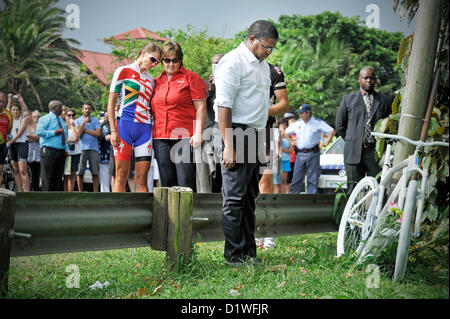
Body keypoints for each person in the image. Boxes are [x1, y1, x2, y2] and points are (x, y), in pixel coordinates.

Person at [214, 20, 279, 267]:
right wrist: (228, 144)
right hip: (236, 133)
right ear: (251, 39)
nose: (269, 52)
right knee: (233, 199)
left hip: (255, 134)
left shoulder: (263, 67)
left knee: (250, 198)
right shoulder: (232, 62)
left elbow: (261, 106)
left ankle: (249, 253)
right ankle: (233, 256)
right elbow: (224, 106)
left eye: (272, 48)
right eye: (266, 46)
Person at [151, 41, 206, 192]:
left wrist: (198, 133)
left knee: (185, 182)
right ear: (161, 60)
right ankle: (169, 216)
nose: (170, 64)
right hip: (160, 137)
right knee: (167, 181)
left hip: (185, 136)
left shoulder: (191, 78)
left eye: (175, 60)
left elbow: (201, 107)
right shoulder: (155, 82)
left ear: (180, 60)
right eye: (166, 60)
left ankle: (187, 215)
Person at [107, 43, 161, 193]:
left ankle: (144, 215)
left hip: (144, 129)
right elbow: (111, 104)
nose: (154, 64)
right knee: (121, 175)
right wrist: (113, 131)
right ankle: (118, 215)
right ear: (143, 53)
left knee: (142, 179)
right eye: (153, 59)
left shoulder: (151, 79)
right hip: (124, 125)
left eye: (157, 62)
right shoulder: (123, 71)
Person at [335, 67, 393, 195]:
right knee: (353, 191)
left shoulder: (385, 101)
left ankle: (373, 215)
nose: (368, 80)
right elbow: (339, 125)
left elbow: (391, 126)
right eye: (365, 78)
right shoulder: (348, 99)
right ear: (359, 80)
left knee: (377, 188)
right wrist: (352, 139)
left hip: (375, 153)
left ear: (375, 80)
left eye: (371, 78)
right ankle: (352, 214)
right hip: (353, 152)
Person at [286, 104, 335, 194]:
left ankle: (311, 199)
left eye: (302, 113)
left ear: (308, 113)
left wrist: (326, 142)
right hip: (300, 154)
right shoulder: (298, 123)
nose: (300, 115)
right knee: (296, 178)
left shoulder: (317, 123)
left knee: (312, 178)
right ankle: (293, 199)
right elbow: (286, 132)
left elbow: (331, 131)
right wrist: (291, 142)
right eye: (299, 113)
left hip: (313, 152)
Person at [36, 100, 68, 191]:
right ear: (54, 108)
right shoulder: (44, 119)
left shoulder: (61, 120)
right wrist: (53, 132)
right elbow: (39, 132)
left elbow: (65, 135)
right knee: (47, 176)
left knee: (58, 177)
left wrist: (66, 148)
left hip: (61, 151)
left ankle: (56, 199)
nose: (62, 110)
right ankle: (46, 198)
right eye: (60, 107)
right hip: (49, 150)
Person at [75, 104, 100, 192]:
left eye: (89, 109)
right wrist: (84, 123)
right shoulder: (77, 121)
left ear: (91, 110)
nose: (87, 110)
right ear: (82, 110)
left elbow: (97, 133)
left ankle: (96, 192)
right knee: (80, 172)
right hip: (81, 149)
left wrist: (85, 130)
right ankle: (80, 192)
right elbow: (78, 135)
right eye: (86, 109)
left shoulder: (96, 120)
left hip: (94, 149)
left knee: (95, 173)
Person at [7, 104, 31, 192]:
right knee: (15, 170)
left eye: (17, 110)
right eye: (13, 110)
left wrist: (10, 142)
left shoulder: (23, 119)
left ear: (20, 111)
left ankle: (27, 192)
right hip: (11, 146)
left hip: (21, 145)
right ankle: (19, 191)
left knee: (22, 170)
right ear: (11, 111)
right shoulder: (9, 120)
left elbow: (20, 133)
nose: (15, 111)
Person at [64, 109, 81, 192]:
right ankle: (65, 193)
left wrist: (72, 126)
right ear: (65, 116)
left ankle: (70, 193)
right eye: (69, 115)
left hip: (75, 153)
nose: (71, 117)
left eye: (72, 115)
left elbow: (76, 137)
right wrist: (71, 140)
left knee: (72, 175)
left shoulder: (77, 126)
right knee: (66, 175)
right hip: (66, 153)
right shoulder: (63, 126)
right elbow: (63, 140)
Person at [0, 92, 13, 188]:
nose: (1, 104)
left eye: (3, 102)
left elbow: (9, 130)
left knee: (0, 170)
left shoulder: (8, 114)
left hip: (2, 145)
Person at [26, 110, 41, 191]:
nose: (36, 118)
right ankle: (28, 189)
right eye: (34, 116)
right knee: (28, 173)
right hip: (28, 152)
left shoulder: (41, 126)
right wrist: (34, 137)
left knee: (36, 174)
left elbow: (40, 138)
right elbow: (25, 138)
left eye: (38, 116)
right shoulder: (27, 125)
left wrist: (30, 136)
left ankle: (35, 190)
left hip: (38, 153)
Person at [99, 113, 112, 192]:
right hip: (104, 153)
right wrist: (101, 125)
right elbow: (100, 138)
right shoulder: (102, 127)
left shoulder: (114, 126)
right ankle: (104, 192)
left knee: (112, 176)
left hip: (113, 153)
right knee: (104, 176)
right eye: (106, 117)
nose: (107, 119)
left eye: (109, 117)